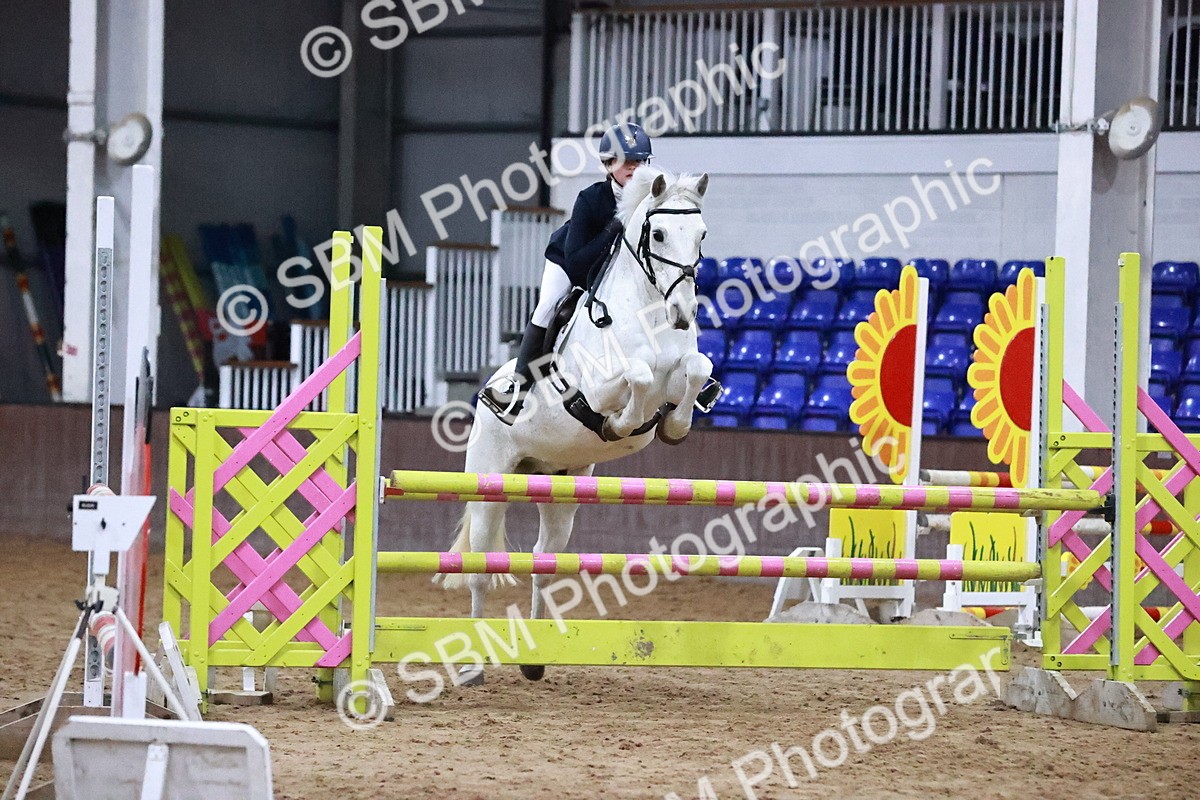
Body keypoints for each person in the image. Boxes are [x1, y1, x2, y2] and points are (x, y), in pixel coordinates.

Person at [479, 122, 653, 424]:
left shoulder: (651, 200)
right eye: (627, 161)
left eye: (639, 161)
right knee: (548, 306)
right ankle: (517, 388)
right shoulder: (591, 199)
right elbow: (576, 262)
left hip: (615, 272)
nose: (634, 168)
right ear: (610, 164)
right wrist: (614, 227)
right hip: (570, 262)